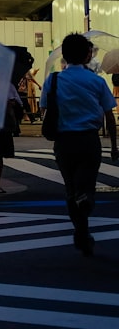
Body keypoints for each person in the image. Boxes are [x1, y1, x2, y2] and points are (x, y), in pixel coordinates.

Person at [40, 33, 119, 257]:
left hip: (64, 142)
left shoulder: (53, 80)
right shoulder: (96, 81)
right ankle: (85, 203)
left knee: (70, 189)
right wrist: (114, 145)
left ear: (64, 55)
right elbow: (109, 116)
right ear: (87, 55)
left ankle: (81, 232)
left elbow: (44, 107)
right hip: (88, 140)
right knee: (86, 185)